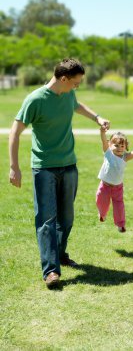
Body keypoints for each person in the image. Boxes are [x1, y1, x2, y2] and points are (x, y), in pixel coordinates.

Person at [9, 58, 110, 288]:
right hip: (44, 167)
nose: (77, 87)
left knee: (66, 218)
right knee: (46, 219)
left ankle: (60, 254)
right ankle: (51, 270)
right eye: (75, 83)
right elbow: (15, 131)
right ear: (63, 79)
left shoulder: (68, 94)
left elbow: (77, 105)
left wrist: (97, 118)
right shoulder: (35, 99)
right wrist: (14, 166)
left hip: (69, 165)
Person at [96, 129, 133, 233]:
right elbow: (103, 141)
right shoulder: (108, 153)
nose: (119, 148)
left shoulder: (125, 157)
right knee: (101, 201)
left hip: (118, 187)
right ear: (110, 144)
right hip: (105, 186)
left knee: (119, 206)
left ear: (125, 147)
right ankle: (102, 214)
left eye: (122, 146)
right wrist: (102, 132)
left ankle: (120, 225)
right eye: (116, 145)